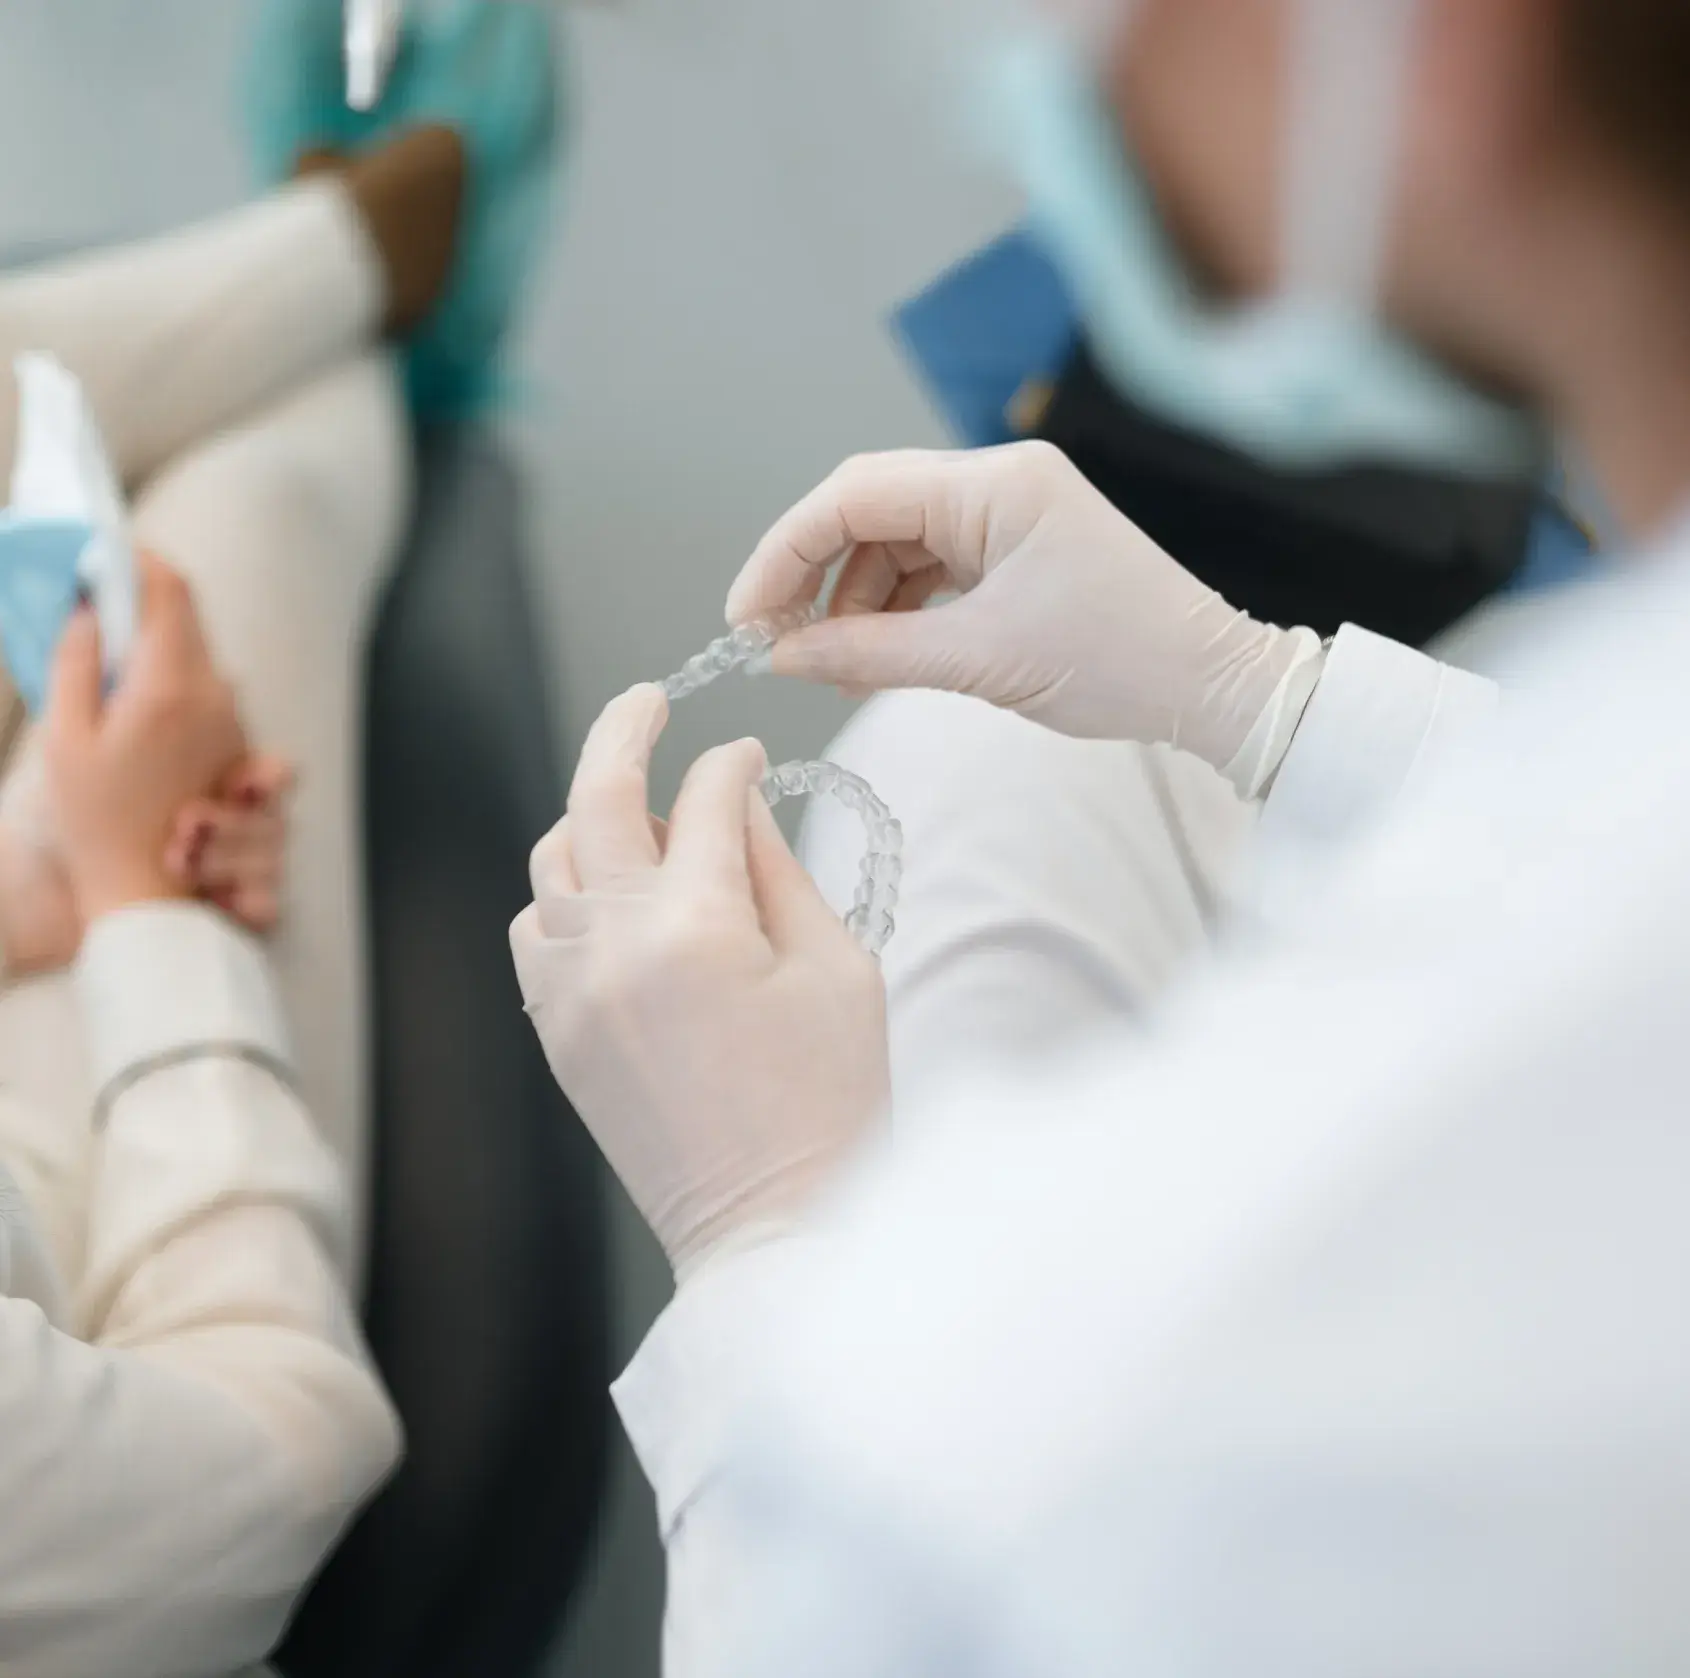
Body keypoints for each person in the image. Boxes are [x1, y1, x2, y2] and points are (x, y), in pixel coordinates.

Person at [509, 0, 1690, 1669]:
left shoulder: (1322, 1262)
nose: (1057, 79)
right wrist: (1254, 694)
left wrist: (769, 1239)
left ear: (1440, 47)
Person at [0, 2, 558, 1670]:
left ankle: (344, 241)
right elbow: (285, 1446)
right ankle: (368, 274)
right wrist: (133, 913)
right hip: (100, 1280)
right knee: (236, 513)